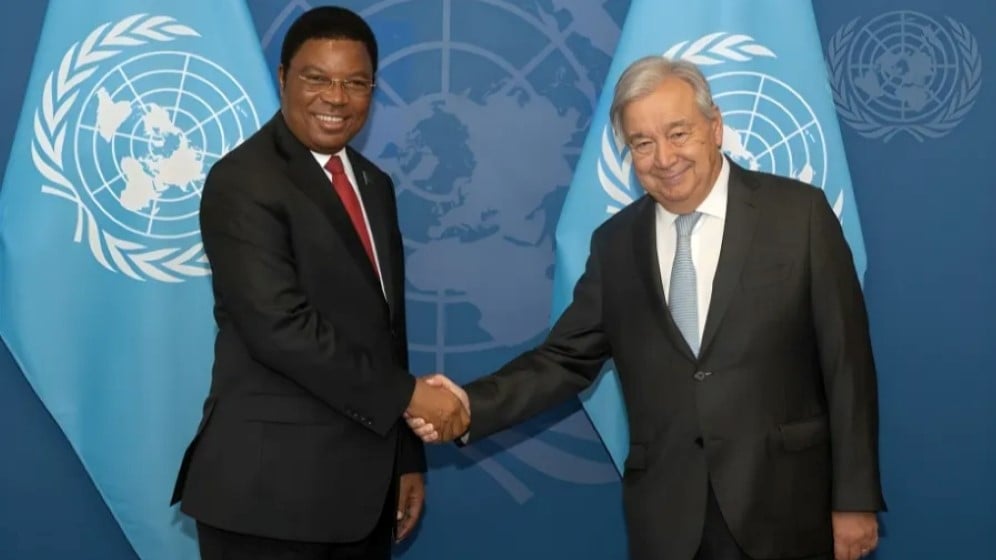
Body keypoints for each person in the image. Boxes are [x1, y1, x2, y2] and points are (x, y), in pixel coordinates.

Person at [408, 57, 885, 560]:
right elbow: (564, 360)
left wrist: (853, 500)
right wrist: (468, 408)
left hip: (788, 509)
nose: (664, 157)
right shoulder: (616, 245)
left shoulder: (799, 215)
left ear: (715, 127)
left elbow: (847, 365)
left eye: (679, 133)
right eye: (642, 143)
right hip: (669, 520)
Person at [170, 7, 467, 559]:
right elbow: (279, 328)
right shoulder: (242, 181)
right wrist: (412, 396)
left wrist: (404, 459)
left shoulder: (373, 184)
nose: (336, 98)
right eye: (317, 78)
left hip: (362, 496)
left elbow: (386, 332)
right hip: (267, 503)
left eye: (355, 83)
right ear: (283, 78)